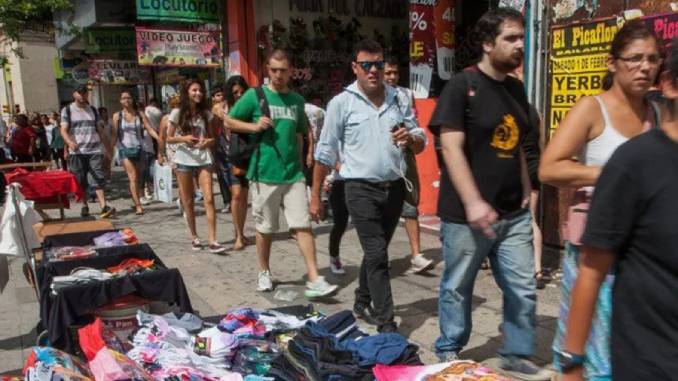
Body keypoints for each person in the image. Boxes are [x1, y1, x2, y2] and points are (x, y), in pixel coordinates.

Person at [428, 8, 552, 379]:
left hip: (512, 213)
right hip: (466, 216)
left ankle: (516, 353)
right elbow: (450, 147)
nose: (519, 45)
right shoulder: (461, 86)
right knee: (458, 286)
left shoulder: (515, 88)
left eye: (521, 38)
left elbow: (515, 145)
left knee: (522, 286)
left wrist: (527, 193)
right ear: (487, 43)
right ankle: (450, 349)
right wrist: (473, 202)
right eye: (511, 38)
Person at [539, 20, 662, 381]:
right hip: (595, 249)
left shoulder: (656, 114)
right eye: (635, 58)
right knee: (591, 344)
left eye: (653, 59)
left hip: (640, 250)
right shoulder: (592, 109)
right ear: (612, 63)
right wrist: (611, 174)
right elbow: (549, 168)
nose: (645, 67)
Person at [311, 39, 426, 332]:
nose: (373, 70)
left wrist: (410, 139)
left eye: (378, 64)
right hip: (358, 188)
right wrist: (315, 198)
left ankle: (362, 300)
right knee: (377, 254)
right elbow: (324, 153)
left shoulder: (399, 98)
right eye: (366, 65)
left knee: (377, 251)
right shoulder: (341, 103)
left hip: (395, 187)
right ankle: (386, 322)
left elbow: (419, 137)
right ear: (355, 68)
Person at [227, 49, 337, 298]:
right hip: (264, 173)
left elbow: (299, 134)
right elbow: (229, 121)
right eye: (274, 70)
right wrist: (253, 126)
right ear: (268, 69)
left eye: (283, 70)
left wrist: (302, 164)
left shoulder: (297, 101)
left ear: (291, 71)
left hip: (293, 175)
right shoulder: (254, 96)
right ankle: (264, 271)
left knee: (303, 225)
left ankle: (314, 277)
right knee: (266, 228)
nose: (278, 75)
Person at [383, 54, 433, 274]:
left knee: (411, 205)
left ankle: (416, 254)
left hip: (405, 155)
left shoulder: (405, 95)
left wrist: (412, 139)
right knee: (384, 209)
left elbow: (414, 125)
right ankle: (379, 254)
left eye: (395, 72)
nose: (392, 77)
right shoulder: (373, 97)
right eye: (388, 73)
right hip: (383, 160)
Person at [166, 79, 226, 254]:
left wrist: (207, 142)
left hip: (203, 158)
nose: (198, 93)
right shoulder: (177, 112)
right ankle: (194, 237)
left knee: (209, 198)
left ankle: (213, 240)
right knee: (189, 201)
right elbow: (168, 138)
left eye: (200, 90)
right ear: (187, 92)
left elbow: (214, 137)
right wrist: (184, 139)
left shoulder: (206, 113)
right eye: (194, 90)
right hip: (184, 158)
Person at [60, 85, 115, 218]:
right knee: (80, 180)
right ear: (74, 94)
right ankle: (85, 205)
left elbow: (100, 130)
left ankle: (103, 206)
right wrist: (69, 143)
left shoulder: (93, 110)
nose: (83, 95)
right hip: (77, 151)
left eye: (85, 93)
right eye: (80, 93)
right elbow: (63, 130)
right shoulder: (67, 110)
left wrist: (107, 150)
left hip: (94, 149)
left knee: (97, 176)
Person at [111, 91, 159, 215]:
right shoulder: (117, 116)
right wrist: (109, 151)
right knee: (132, 177)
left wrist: (159, 138)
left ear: (132, 99)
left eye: (128, 97)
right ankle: (138, 206)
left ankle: (135, 199)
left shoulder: (140, 114)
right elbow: (115, 134)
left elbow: (149, 128)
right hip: (124, 149)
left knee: (138, 177)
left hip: (139, 148)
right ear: (120, 101)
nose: (126, 100)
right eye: (123, 98)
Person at [220, 75, 251, 250]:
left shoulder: (250, 108)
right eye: (235, 92)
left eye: (242, 91)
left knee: (244, 196)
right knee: (237, 194)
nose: (239, 95)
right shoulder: (223, 108)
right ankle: (238, 235)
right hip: (229, 154)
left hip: (246, 153)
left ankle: (241, 231)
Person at [210, 82, 233, 214]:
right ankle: (227, 200)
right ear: (213, 98)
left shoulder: (227, 106)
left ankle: (231, 199)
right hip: (219, 143)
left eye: (222, 94)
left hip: (227, 142)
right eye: (218, 95)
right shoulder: (216, 108)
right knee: (223, 173)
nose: (221, 96)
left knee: (229, 172)